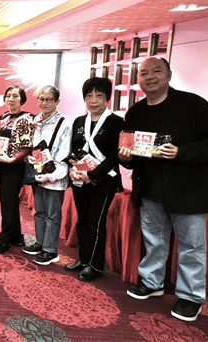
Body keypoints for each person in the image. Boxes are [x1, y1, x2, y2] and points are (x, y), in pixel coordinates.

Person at [120, 57, 208, 322]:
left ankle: (191, 296)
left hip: (189, 190)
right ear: (138, 79)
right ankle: (152, 282)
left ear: (169, 75)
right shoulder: (136, 113)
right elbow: (134, 154)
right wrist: (125, 158)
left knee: (192, 245)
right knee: (154, 240)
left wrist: (182, 152)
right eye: (144, 73)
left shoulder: (193, 104)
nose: (150, 77)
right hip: (150, 189)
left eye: (157, 71)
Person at [67, 77, 124, 282]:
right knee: (82, 221)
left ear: (107, 98)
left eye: (99, 96)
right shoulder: (79, 121)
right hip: (80, 179)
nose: (93, 100)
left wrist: (92, 175)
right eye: (89, 96)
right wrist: (73, 170)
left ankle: (94, 264)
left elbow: (115, 155)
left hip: (103, 181)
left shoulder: (116, 122)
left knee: (96, 223)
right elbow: (74, 149)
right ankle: (83, 259)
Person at [22, 85, 71, 265]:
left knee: (52, 215)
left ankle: (50, 250)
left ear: (57, 101)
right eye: (41, 99)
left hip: (55, 177)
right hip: (38, 173)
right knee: (39, 211)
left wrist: (52, 176)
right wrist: (31, 159)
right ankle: (40, 243)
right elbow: (34, 148)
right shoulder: (36, 121)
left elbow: (64, 155)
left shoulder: (64, 124)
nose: (44, 103)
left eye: (49, 99)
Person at [0, 85, 34, 254]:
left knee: (8, 203)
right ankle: (16, 236)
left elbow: (27, 146)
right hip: (1, 163)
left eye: (15, 96)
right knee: (10, 202)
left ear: (22, 100)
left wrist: (13, 159)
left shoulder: (26, 119)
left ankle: (4, 239)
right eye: (8, 96)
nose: (11, 99)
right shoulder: (6, 118)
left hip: (14, 165)